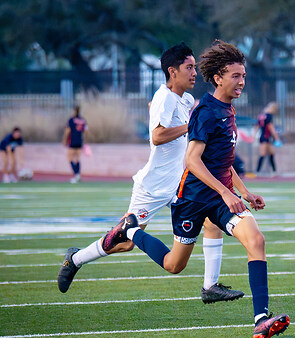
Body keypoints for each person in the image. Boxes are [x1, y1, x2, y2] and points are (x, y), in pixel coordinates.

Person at [101, 40, 290, 338]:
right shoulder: (204, 111)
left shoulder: (228, 109)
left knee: (256, 240)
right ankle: (130, 230)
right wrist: (227, 193)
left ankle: (260, 320)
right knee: (174, 265)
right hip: (191, 200)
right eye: (235, 76)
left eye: (243, 76)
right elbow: (192, 160)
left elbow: (223, 162)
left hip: (219, 199)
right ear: (218, 78)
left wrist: (244, 192)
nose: (241, 81)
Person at [57, 43, 244, 304]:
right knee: (124, 243)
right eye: (189, 67)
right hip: (154, 186)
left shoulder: (184, 99)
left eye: (194, 67)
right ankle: (75, 259)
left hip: (182, 184)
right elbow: (157, 136)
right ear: (172, 71)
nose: (194, 73)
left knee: (212, 223)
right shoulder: (163, 96)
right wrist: (188, 124)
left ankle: (210, 286)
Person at [62, 105, 88, 183]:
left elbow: (67, 131)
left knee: (70, 158)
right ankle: (78, 175)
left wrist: (64, 140)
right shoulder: (83, 120)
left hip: (72, 141)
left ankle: (76, 175)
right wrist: (83, 140)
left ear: (74, 111)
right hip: (79, 141)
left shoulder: (71, 120)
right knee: (77, 159)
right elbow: (86, 131)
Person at [254, 102, 281, 176]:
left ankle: (274, 171)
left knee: (272, 153)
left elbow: (257, 126)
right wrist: (277, 138)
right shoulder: (269, 116)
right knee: (262, 154)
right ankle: (257, 171)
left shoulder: (262, 116)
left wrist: (253, 136)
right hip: (265, 137)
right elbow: (271, 128)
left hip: (265, 137)